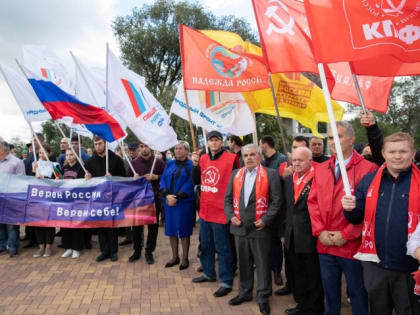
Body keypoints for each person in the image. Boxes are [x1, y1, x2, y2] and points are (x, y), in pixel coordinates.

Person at [342, 132, 420, 315]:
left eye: (403, 151)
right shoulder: (369, 181)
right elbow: (355, 218)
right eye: (392, 151)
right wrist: (349, 208)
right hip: (375, 266)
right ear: (384, 153)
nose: (397, 156)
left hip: (409, 269)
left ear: (413, 153)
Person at [307, 122, 377, 315]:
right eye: (330, 138)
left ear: (352, 139)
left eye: (339, 136)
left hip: (352, 247)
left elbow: (370, 211)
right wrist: (320, 231)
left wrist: (347, 234)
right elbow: (312, 203)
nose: (333, 142)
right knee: (330, 295)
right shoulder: (321, 168)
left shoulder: (368, 168)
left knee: (358, 295)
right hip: (326, 244)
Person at [224, 144, 281, 315]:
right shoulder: (236, 174)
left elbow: (277, 201)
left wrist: (266, 219)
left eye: (252, 155)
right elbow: (227, 199)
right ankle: (244, 292)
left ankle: (263, 296)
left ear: (260, 156)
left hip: (260, 227)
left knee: (263, 264)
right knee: (243, 263)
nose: (248, 158)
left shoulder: (271, 174)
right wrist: (230, 216)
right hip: (239, 227)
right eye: (246, 155)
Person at [192, 130, 236, 298]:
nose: (214, 143)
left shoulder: (231, 158)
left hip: (221, 211)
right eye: (211, 140)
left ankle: (226, 281)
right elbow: (196, 180)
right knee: (206, 245)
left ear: (221, 141)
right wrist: (195, 165)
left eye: (217, 140)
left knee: (223, 248)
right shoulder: (203, 158)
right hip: (204, 210)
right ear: (207, 143)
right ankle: (208, 273)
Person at [282, 147, 324, 315]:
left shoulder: (318, 179)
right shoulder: (288, 180)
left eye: (300, 160)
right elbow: (285, 208)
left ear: (310, 161)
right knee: (297, 272)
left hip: (310, 235)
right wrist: (283, 233)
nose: (296, 163)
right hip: (291, 235)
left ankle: (315, 307)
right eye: (294, 160)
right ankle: (302, 304)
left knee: (313, 274)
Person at [85, 136, 126, 262]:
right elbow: (86, 182)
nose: (98, 146)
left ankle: (113, 251)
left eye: (100, 143)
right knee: (101, 226)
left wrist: (113, 177)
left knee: (112, 226)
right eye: (96, 144)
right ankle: (104, 251)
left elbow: (123, 178)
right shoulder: (90, 162)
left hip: (113, 198)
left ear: (105, 144)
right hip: (98, 200)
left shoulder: (116, 159)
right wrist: (86, 177)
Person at [127, 141, 165, 264]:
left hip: (154, 199)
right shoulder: (133, 163)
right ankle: (137, 250)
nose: (144, 149)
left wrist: (156, 177)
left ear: (151, 147)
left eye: (146, 146)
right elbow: (126, 182)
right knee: (137, 227)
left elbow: (165, 177)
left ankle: (149, 251)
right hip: (138, 200)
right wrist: (133, 179)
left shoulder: (158, 162)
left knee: (153, 227)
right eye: (141, 147)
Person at [160, 141, 195, 270]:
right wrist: (166, 194)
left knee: (184, 230)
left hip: (184, 202)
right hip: (169, 201)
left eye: (181, 148)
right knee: (171, 229)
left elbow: (191, 182)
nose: (178, 151)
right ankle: (175, 257)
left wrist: (177, 196)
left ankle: (185, 258)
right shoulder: (169, 163)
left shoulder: (191, 165)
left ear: (186, 150)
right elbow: (163, 178)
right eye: (176, 148)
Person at [259, 135, 287, 287]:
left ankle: (277, 271)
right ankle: (267, 268)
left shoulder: (282, 159)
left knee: (276, 241)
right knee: (266, 241)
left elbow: (283, 180)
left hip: (278, 207)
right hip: (263, 206)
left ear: (264, 145)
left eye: (260, 145)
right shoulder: (262, 162)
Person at [31, 144, 58, 258]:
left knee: (49, 222)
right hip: (37, 197)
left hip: (49, 197)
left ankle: (48, 246)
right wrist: (33, 170)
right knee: (38, 222)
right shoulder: (35, 164)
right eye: (40, 152)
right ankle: (41, 246)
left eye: (44, 152)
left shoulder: (54, 165)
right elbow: (27, 179)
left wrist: (45, 178)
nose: (42, 155)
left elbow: (58, 180)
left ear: (49, 153)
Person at [0, 140, 25, 257]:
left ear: (3, 149)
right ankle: (2, 245)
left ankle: (12, 247)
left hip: (11, 198)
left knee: (12, 225)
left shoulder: (17, 162)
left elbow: (22, 181)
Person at [60, 148, 86, 259]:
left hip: (77, 201)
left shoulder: (81, 168)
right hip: (65, 200)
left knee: (76, 225)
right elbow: (58, 181)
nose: (69, 157)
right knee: (65, 225)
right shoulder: (63, 168)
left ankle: (76, 248)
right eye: (67, 155)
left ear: (76, 156)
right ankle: (68, 247)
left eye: (71, 155)